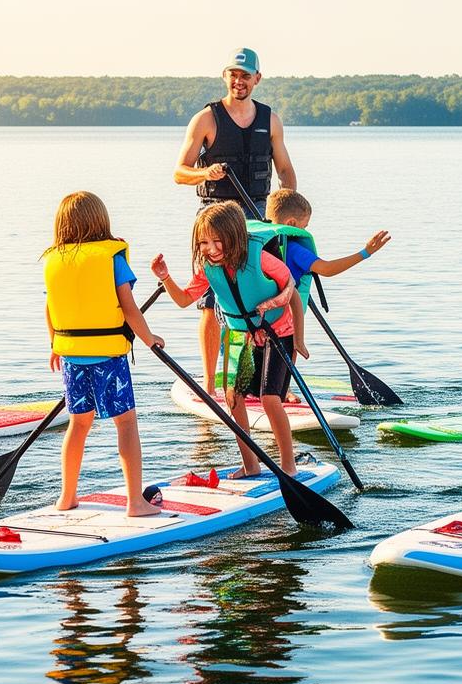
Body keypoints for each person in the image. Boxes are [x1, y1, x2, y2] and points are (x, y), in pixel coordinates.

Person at [172, 48, 299, 390]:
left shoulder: (270, 120)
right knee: (212, 301)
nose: (239, 81)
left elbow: (286, 172)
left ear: (257, 78)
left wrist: (286, 217)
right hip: (214, 219)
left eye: (246, 76)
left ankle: (264, 379)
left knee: (265, 295)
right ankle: (210, 382)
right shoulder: (206, 119)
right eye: (233, 74)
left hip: (257, 219)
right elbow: (179, 172)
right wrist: (203, 174)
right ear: (225, 76)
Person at [151, 202, 307, 478]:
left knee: (270, 398)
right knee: (233, 397)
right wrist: (165, 278)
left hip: (278, 332)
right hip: (242, 335)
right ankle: (251, 464)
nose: (210, 249)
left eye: (217, 241)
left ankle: (289, 465)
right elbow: (185, 299)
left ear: (235, 238)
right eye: (203, 242)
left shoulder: (260, 259)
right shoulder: (208, 269)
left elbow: (292, 293)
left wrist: (300, 341)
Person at [42, 192, 163, 515]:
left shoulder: (55, 259)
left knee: (78, 424)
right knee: (125, 424)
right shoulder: (112, 258)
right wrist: (150, 339)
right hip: (108, 356)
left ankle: (66, 497)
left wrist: (55, 343)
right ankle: (135, 502)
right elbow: (129, 308)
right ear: (102, 222)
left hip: (71, 355)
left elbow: (51, 308)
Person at [246, 188, 389, 376]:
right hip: (283, 315)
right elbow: (327, 269)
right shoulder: (296, 249)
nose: (304, 230)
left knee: (259, 355)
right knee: (284, 357)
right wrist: (365, 253)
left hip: (253, 314)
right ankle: (283, 389)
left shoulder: (255, 244)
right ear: (291, 223)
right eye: (304, 226)